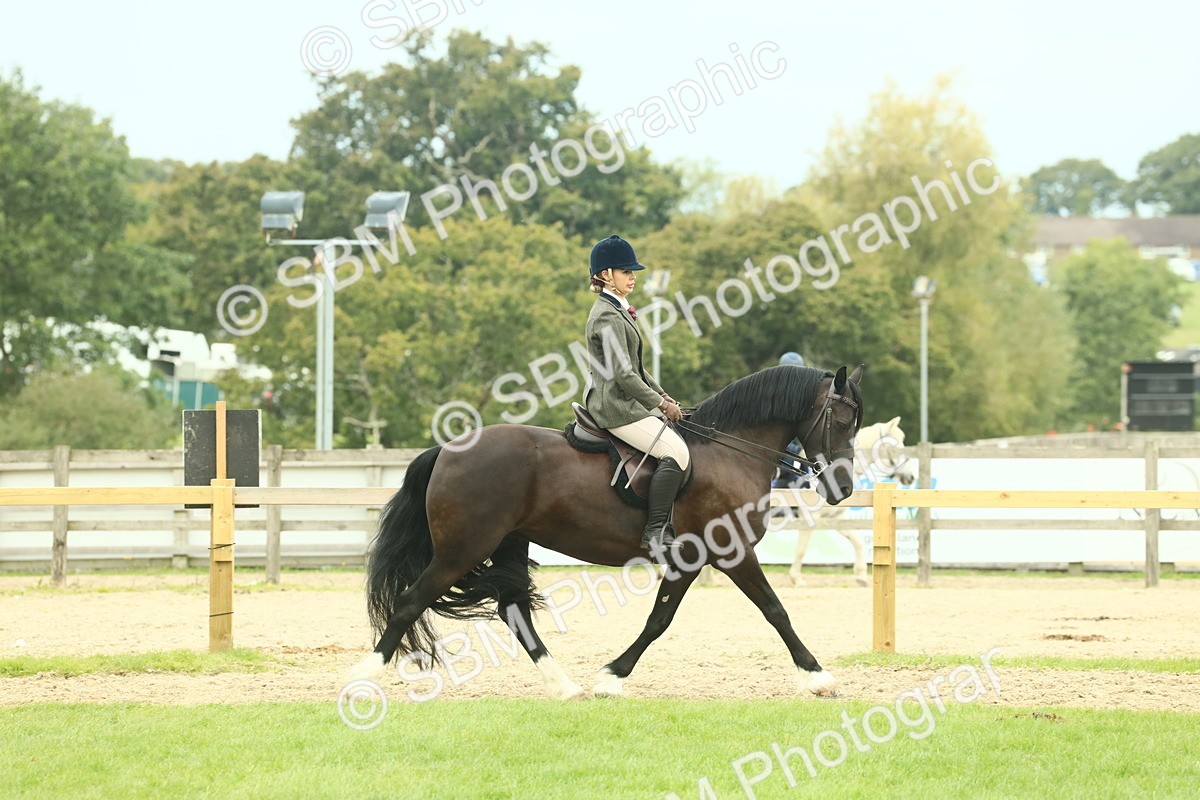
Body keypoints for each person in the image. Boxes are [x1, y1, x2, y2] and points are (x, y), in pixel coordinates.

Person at [583, 234, 689, 551]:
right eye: (626, 271)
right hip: (615, 406)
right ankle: (655, 531)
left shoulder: (618, 309)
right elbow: (623, 374)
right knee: (677, 453)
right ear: (605, 275)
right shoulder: (606, 315)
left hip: (625, 400)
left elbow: (637, 369)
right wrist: (659, 405)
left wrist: (663, 395)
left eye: (632, 272)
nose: (632, 277)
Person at [773, 351, 815, 490]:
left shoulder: (804, 398)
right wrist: (796, 450)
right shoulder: (774, 397)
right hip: (776, 457)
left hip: (797, 458)